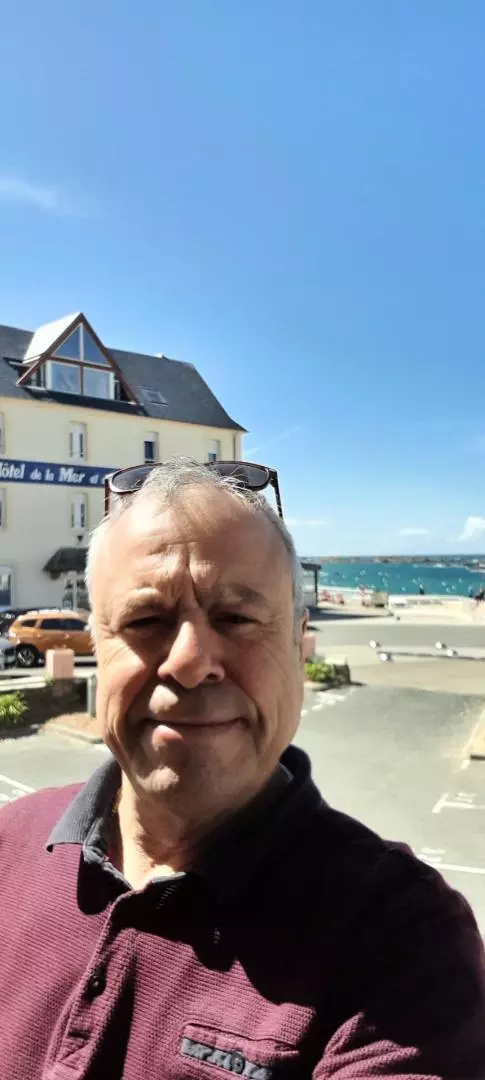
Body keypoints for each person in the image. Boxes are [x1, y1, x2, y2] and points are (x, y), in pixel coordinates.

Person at [1, 458, 484, 1079]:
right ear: (98, 642)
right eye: (146, 620)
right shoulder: (10, 843)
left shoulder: (401, 938)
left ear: (299, 644)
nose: (189, 661)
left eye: (236, 617)